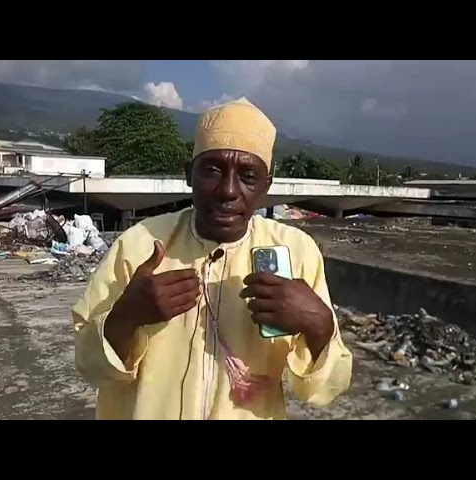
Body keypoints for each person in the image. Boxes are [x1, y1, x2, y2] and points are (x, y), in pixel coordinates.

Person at [71, 97, 353, 420]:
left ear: (266, 185)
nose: (228, 190)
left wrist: (319, 326)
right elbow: (87, 363)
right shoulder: (139, 246)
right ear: (188, 174)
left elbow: (326, 388)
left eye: (248, 175)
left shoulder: (298, 253)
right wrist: (125, 316)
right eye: (213, 169)